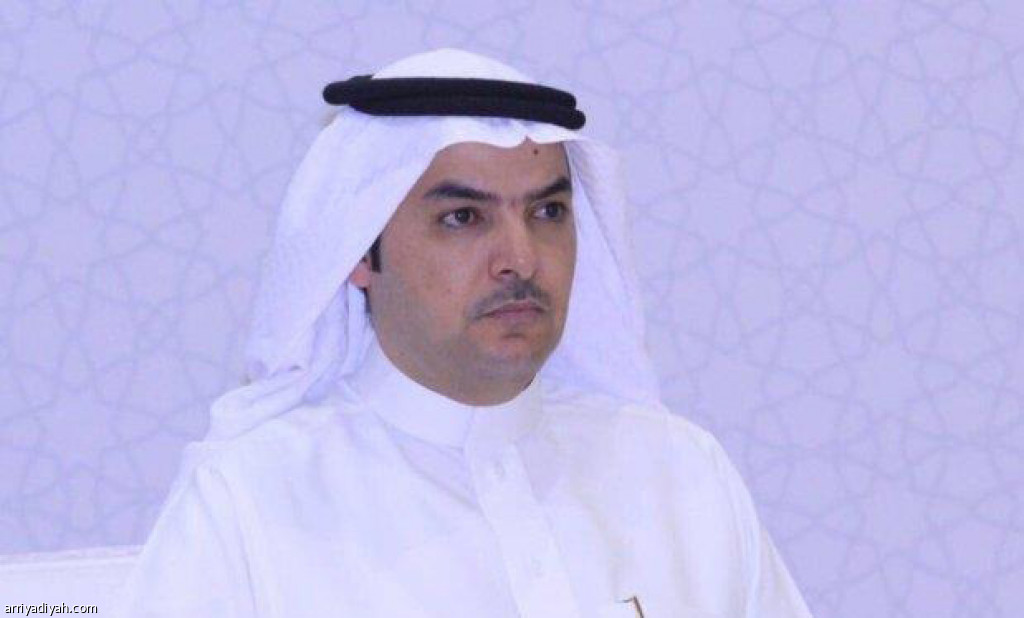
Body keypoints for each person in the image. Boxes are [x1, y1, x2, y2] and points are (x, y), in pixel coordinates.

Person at [116, 48, 814, 618]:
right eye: (463, 218)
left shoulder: (682, 474)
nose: (520, 258)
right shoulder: (251, 500)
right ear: (358, 251)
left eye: (546, 212)